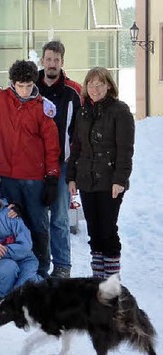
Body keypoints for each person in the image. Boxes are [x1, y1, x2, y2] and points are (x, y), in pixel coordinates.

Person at [0, 60, 61, 278]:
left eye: (29, 85)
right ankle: (16, 269)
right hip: (8, 176)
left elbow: (52, 146)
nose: (25, 90)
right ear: (12, 83)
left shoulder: (43, 107)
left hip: (34, 178)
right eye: (20, 85)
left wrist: (52, 178)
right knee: (13, 225)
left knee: (38, 224)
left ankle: (40, 270)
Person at [66, 67, 134, 279]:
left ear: (109, 86)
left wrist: (120, 179)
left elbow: (125, 150)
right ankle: (98, 279)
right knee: (94, 231)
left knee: (107, 229)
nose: (95, 88)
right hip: (86, 180)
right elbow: (76, 147)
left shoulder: (120, 111)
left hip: (109, 181)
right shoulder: (83, 112)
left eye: (100, 84)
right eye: (91, 84)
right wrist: (71, 177)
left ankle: (112, 279)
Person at [36, 41, 82, 279]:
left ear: (62, 62)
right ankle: (38, 266)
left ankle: (62, 265)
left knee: (60, 218)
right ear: (42, 60)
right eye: (48, 59)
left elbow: (80, 132)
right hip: (33, 164)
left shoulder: (73, 91)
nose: (52, 64)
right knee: (37, 218)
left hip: (62, 163)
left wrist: (74, 166)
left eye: (56, 60)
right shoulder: (30, 87)